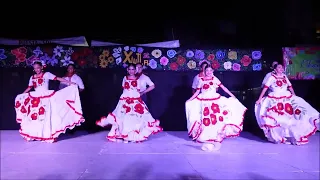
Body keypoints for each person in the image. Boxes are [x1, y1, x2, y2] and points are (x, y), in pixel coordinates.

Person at [14, 61, 85, 143]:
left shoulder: (46, 74)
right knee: (36, 116)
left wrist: (70, 82)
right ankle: (36, 134)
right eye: (35, 68)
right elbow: (29, 87)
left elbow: (58, 78)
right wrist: (22, 94)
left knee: (45, 116)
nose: (36, 69)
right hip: (36, 98)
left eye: (38, 67)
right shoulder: (32, 77)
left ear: (41, 67)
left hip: (46, 97)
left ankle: (47, 134)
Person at [96, 64, 162, 143]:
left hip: (135, 99)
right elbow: (124, 89)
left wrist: (141, 93)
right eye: (129, 69)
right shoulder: (124, 78)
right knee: (123, 116)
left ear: (135, 70)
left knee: (136, 117)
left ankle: (134, 135)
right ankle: (124, 134)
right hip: (125, 99)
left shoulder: (139, 79)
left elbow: (142, 88)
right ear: (127, 70)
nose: (131, 71)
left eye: (133, 69)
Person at [255, 63, 319, 145]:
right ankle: (279, 136)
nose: (281, 69)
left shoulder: (285, 77)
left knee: (292, 117)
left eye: (282, 67)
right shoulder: (271, 77)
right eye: (279, 67)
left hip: (286, 97)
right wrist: (259, 99)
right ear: (275, 69)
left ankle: (293, 136)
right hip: (275, 97)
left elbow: (290, 86)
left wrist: (294, 95)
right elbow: (265, 89)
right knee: (278, 117)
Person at [185, 66, 247, 151]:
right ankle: (205, 136)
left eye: (210, 70)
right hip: (204, 101)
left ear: (213, 71)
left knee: (215, 118)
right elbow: (197, 92)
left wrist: (232, 95)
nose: (209, 72)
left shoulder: (215, 79)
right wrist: (190, 99)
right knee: (206, 119)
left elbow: (223, 88)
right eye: (207, 70)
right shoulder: (201, 80)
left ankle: (215, 135)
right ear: (204, 71)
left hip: (214, 100)